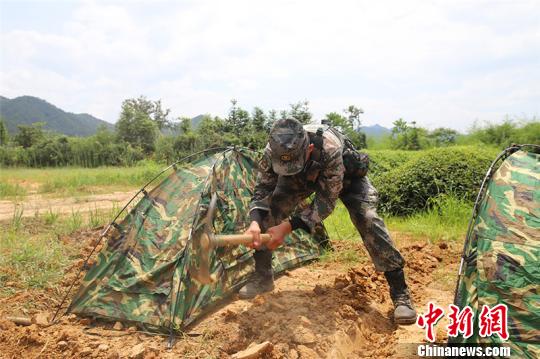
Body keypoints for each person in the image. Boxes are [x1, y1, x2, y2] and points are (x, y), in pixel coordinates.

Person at [240, 118, 417, 325]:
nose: (288, 165)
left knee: (368, 219)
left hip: (347, 179)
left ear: (309, 147)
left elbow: (325, 202)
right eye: (284, 164)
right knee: (267, 212)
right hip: (302, 177)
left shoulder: (330, 147)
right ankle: (262, 277)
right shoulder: (273, 150)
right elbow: (263, 189)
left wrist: (288, 227)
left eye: (293, 161)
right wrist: (255, 222)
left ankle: (400, 294)